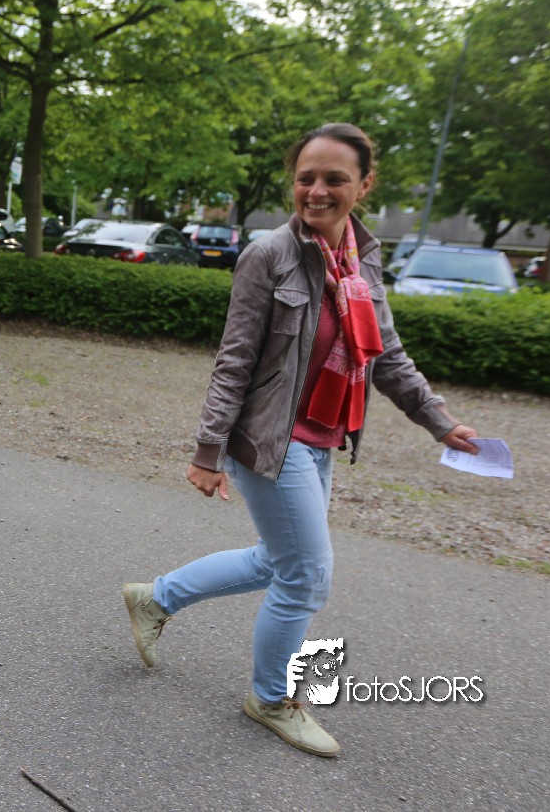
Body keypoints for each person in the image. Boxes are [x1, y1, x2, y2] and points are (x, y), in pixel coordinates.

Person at [122, 123, 481, 759]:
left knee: (277, 561)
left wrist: (438, 420)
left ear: (363, 186)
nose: (316, 191)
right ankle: (271, 698)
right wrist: (207, 451)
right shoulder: (269, 255)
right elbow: (234, 360)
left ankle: (157, 598)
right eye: (305, 178)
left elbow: (385, 352)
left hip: (322, 437)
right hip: (271, 438)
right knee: (307, 576)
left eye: (334, 179)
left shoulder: (364, 258)